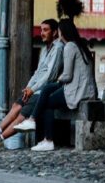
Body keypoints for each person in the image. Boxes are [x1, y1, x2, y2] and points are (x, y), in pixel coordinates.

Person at [0, 19, 64, 150]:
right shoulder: (45, 49)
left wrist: (32, 90)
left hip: (46, 91)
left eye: (46, 30)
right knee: (16, 105)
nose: (42, 33)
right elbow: (37, 72)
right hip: (35, 90)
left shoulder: (58, 48)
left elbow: (50, 75)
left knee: (22, 114)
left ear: (55, 32)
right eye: (41, 30)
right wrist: (28, 88)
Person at [29, 18, 97, 152]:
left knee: (48, 102)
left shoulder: (69, 47)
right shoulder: (80, 45)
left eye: (59, 31)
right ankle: (32, 120)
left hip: (77, 91)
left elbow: (67, 76)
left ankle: (47, 138)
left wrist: (58, 79)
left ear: (62, 32)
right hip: (86, 90)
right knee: (48, 90)